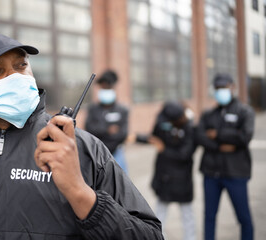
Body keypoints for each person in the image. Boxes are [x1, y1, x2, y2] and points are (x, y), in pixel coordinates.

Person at [0, 31, 163, 240]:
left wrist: (80, 193)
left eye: (21, 65)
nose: (15, 77)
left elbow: (150, 235)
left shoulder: (84, 149)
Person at [196, 73, 254, 240]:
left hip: (236, 173)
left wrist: (218, 133)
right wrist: (222, 145)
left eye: (224, 87)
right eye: (218, 88)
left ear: (232, 87)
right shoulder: (209, 114)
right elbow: (200, 137)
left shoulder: (245, 111)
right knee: (209, 216)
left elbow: (244, 137)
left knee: (244, 217)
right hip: (211, 173)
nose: (221, 91)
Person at [133, 101, 197, 240]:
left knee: (187, 214)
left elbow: (184, 154)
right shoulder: (163, 123)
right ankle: (159, 237)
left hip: (182, 180)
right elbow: (154, 138)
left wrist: (164, 149)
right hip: (165, 176)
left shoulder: (190, 127)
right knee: (160, 213)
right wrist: (138, 137)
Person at [85, 70, 129, 173]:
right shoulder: (93, 109)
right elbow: (89, 128)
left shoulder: (122, 110)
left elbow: (123, 134)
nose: (105, 90)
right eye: (103, 87)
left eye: (107, 87)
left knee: (120, 183)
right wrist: (107, 130)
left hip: (116, 153)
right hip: (96, 152)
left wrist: (100, 130)